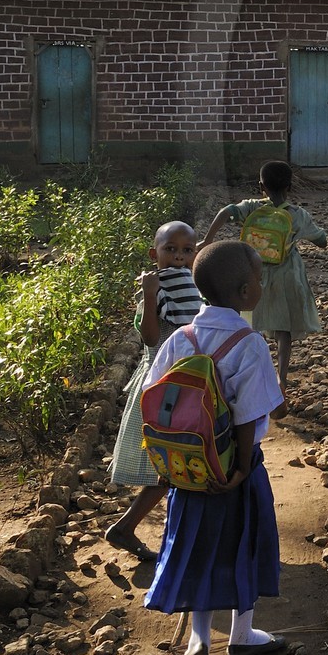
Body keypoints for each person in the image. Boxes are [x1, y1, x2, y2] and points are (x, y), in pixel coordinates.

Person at [144, 240, 286, 655]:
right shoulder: (249, 343)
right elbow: (247, 417)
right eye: (259, 278)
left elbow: (155, 400)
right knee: (244, 545)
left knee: (197, 548)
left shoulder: (181, 338)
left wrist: (165, 464)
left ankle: (199, 639)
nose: (261, 285)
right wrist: (239, 469)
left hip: (188, 470)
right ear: (244, 292)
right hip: (235, 471)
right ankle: (242, 635)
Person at [106, 220, 203, 560]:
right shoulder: (154, 290)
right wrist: (149, 295)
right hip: (161, 388)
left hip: (186, 384)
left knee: (177, 465)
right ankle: (128, 527)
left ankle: (129, 527)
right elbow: (149, 338)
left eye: (187, 251)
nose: (178, 257)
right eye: (170, 249)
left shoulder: (193, 288)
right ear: (154, 254)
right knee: (171, 465)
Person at [202, 161, 327, 390]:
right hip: (286, 276)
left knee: (251, 324)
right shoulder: (297, 215)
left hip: (252, 274)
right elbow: (322, 241)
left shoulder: (252, 207)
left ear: (261, 186)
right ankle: (282, 377)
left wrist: (207, 240)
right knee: (284, 328)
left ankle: (252, 371)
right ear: (290, 186)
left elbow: (226, 212)